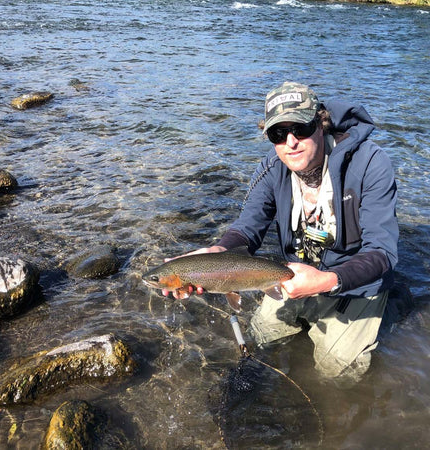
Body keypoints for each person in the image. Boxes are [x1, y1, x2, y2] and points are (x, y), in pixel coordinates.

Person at [164, 81, 398, 381]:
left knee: (336, 371)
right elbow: (247, 229)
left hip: (353, 283)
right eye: (278, 133)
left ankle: (391, 308)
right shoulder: (272, 167)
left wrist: (327, 280)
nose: (291, 142)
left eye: (300, 128)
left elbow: (383, 253)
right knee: (260, 339)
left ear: (321, 123)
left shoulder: (370, 164)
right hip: (291, 277)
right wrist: (217, 252)